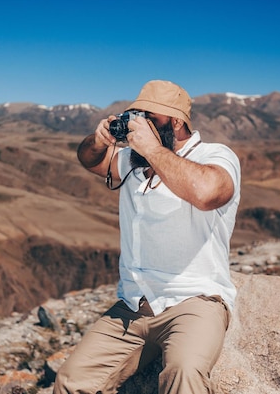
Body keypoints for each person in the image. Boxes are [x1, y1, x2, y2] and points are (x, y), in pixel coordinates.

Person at [53, 80, 241, 394]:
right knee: (71, 381)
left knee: (185, 372)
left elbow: (208, 193)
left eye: (150, 117)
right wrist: (99, 141)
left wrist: (153, 150)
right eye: (136, 115)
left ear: (176, 121)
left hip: (194, 300)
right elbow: (88, 159)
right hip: (133, 303)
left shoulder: (215, 156)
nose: (140, 124)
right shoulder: (132, 161)